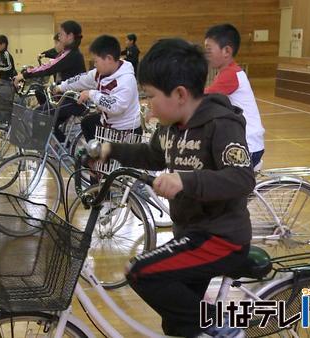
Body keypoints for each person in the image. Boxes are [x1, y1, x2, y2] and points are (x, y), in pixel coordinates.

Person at [98, 38, 254, 338]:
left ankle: (223, 323)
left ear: (180, 94)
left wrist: (186, 180)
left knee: (142, 272)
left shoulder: (221, 123)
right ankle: (207, 324)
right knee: (178, 323)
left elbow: (242, 178)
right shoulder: (171, 128)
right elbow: (152, 156)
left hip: (221, 238)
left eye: (152, 96)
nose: (148, 106)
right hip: (192, 235)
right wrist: (109, 149)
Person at [54, 34, 141, 141]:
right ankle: (95, 155)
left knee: (102, 147)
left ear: (108, 59)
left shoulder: (126, 80)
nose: (95, 65)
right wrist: (60, 87)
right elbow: (81, 80)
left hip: (125, 131)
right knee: (87, 123)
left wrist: (91, 94)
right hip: (108, 123)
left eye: (96, 61)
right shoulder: (100, 73)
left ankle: (99, 156)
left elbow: (116, 106)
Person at [204, 24, 265, 168]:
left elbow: (202, 98)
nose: (206, 55)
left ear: (226, 51)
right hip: (244, 141)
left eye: (209, 50)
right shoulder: (227, 72)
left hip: (246, 145)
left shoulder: (230, 74)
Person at [14, 20, 86, 141]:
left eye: (61, 34)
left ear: (70, 36)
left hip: (73, 102)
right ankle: (63, 150)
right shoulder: (68, 53)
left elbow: (49, 68)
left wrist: (25, 75)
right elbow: (49, 65)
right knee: (49, 122)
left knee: (39, 114)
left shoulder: (73, 55)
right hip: (66, 99)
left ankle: (59, 152)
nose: (59, 36)